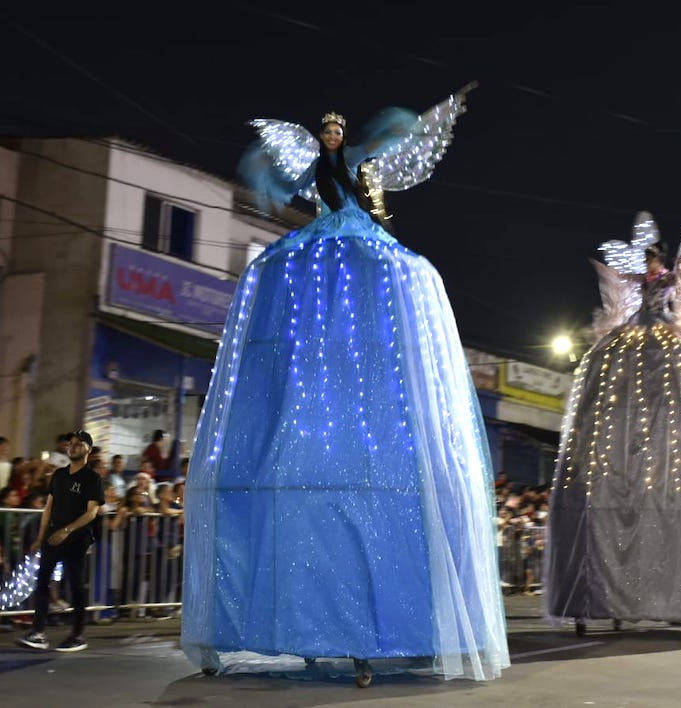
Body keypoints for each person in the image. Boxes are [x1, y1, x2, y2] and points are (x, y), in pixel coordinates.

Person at [181, 84, 508, 684]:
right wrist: (275, 179)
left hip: (357, 233)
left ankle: (378, 635)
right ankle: (295, 630)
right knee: (281, 282)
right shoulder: (316, 171)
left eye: (336, 132)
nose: (331, 139)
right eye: (325, 133)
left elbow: (376, 159)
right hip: (322, 237)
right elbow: (291, 185)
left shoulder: (356, 164)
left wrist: (391, 142)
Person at [544, 193, 681, 631]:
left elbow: (675, 293)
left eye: (651, 261)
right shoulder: (639, 287)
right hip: (635, 340)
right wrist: (611, 274)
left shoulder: (671, 280)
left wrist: (676, 278)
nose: (648, 266)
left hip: (666, 344)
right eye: (647, 262)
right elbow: (622, 284)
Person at [17, 430, 103, 653]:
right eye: (71, 443)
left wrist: (68, 530)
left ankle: (77, 634)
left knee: (75, 585)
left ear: (89, 450)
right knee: (42, 581)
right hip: (52, 537)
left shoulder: (92, 478)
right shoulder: (59, 475)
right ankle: (38, 632)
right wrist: (40, 537)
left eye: (79, 444)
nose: (73, 446)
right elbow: (48, 507)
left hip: (77, 538)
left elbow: (92, 512)